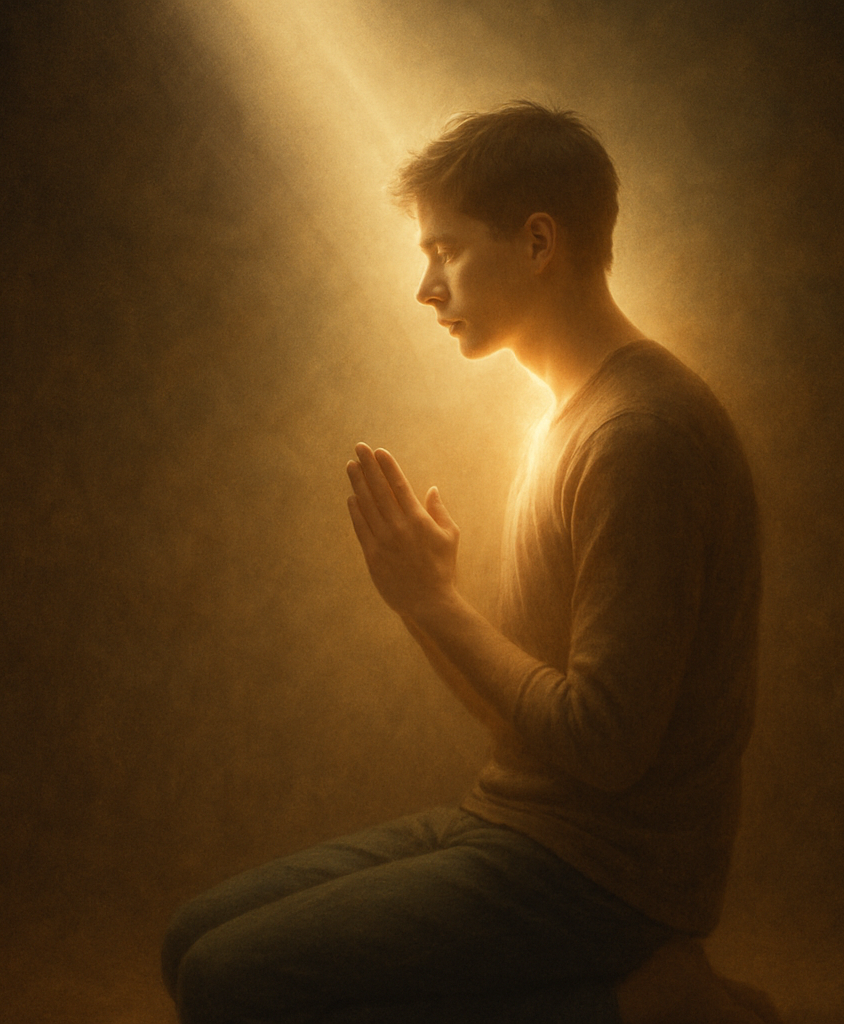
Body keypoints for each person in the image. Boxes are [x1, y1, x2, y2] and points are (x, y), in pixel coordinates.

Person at [161, 101, 779, 1024]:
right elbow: (526, 726)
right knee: (190, 944)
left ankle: (636, 1001)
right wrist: (421, 604)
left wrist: (439, 604)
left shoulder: (638, 438)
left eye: (446, 250)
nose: (425, 287)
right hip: (519, 821)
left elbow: (604, 747)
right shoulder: (565, 415)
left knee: (229, 984)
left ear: (539, 242)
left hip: (608, 872)